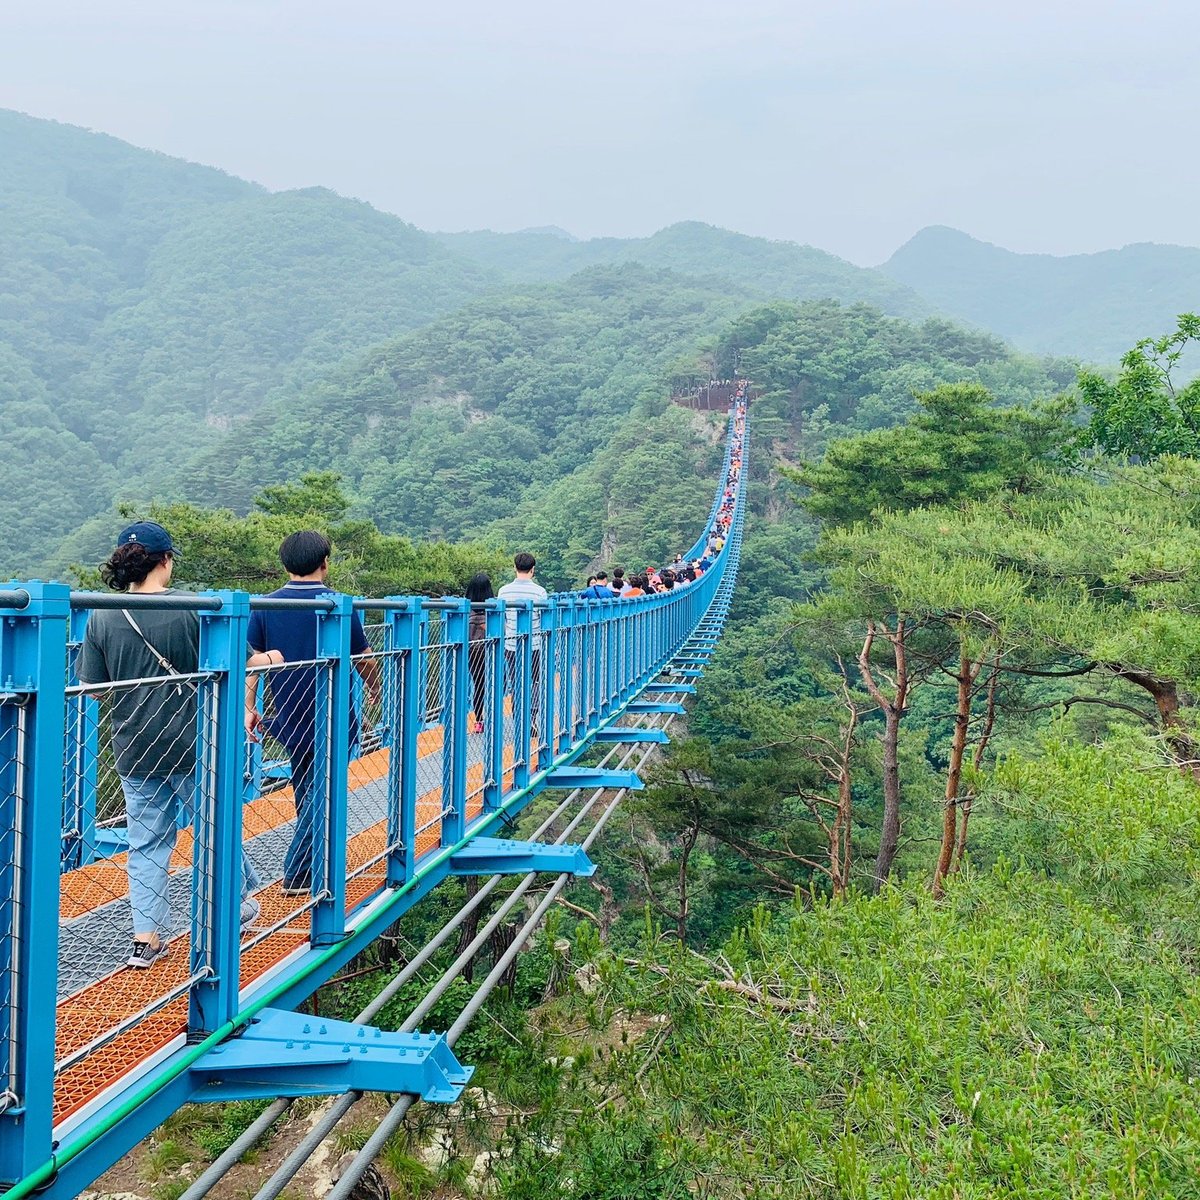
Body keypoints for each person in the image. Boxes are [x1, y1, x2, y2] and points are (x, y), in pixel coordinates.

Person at [77, 520, 261, 970]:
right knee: (214, 827)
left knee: (146, 842)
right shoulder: (192, 608)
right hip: (196, 743)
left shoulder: (102, 613)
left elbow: (94, 689)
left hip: (135, 745)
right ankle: (230, 911)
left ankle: (146, 938)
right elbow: (241, 661)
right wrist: (270, 658)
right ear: (166, 559)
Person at [245, 531, 381, 896]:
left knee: (308, 783)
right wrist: (376, 686)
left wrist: (248, 706)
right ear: (325, 562)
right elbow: (363, 656)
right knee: (323, 788)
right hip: (331, 712)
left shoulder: (265, 605)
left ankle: (313, 860)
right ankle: (298, 872)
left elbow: (253, 661)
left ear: (286, 564)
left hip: (289, 709)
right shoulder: (336, 604)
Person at [497, 552, 548, 732]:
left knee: (516, 680)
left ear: (514, 567)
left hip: (511, 645)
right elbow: (544, 620)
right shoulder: (540, 592)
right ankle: (531, 717)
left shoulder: (503, 591)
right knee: (534, 681)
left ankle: (518, 714)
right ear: (533, 569)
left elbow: (501, 619)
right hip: (534, 645)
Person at [465, 572, 494, 735]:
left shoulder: (464, 608)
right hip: (489, 649)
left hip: (471, 651)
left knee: (478, 684)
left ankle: (478, 720)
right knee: (497, 682)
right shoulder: (493, 608)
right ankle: (494, 716)